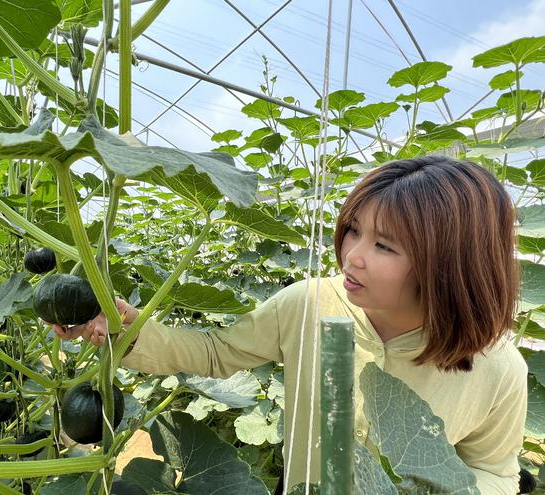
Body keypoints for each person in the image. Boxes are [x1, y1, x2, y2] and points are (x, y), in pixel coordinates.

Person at [55, 156, 528, 494]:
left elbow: (496, 471)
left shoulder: (498, 368)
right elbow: (217, 354)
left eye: (384, 246)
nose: (352, 256)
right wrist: (124, 327)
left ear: (451, 264)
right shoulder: (312, 304)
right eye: (353, 230)